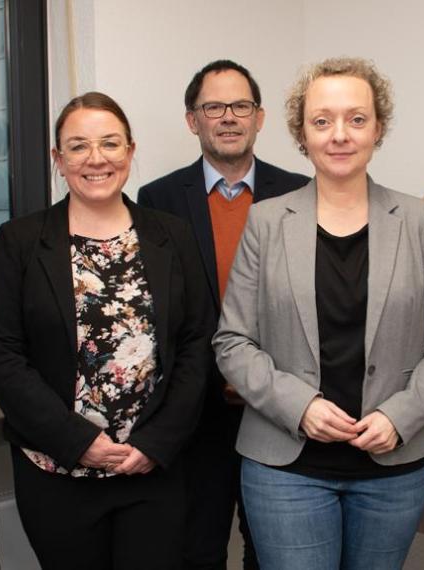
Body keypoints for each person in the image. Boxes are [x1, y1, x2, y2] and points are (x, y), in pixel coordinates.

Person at [213, 57, 424, 570]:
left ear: (378, 128)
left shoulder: (417, 220)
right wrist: (300, 405)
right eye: (322, 120)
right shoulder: (267, 221)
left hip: (392, 465)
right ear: (301, 134)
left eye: (356, 119)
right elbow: (233, 342)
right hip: (286, 466)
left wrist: (399, 416)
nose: (339, 135)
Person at [0, 92, 212, 569]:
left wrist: (156, 442)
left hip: (151, 468)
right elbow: (1, 354)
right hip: (57, 471)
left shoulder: (172, 235)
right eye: (79, 146)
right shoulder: (20, 242)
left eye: (110, 143)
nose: (96, 158)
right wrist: (77, 440)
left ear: (129, 150)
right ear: (57, 160)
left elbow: (196, 343)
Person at [137, 59, 309, 570]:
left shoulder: (300, 192)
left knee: (273, 551)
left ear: (260, 118)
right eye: (214, 107)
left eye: (241, 106)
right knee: (198, 548)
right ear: (194, 120)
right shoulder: (159, 199)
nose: (228, 117)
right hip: (198, 410)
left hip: (278, 408)